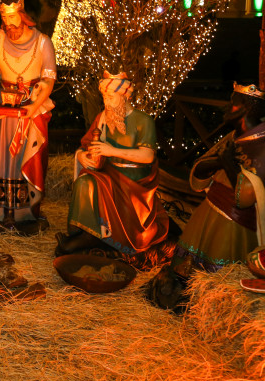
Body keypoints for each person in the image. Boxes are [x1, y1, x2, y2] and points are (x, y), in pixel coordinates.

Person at [147, 83, 265, 311]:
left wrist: (226, 165)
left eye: (232, 103)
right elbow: (202, 167)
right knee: (181, 272)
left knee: (216, 281)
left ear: (247, 109)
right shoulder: (233, 136)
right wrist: (219, 162)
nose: (226, 107)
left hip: (234, 224)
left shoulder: (261, 144)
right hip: (207, 213)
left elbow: (246, 196)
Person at [56, 72, 169, 256]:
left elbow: (148, 156)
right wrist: (82, 155)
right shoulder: (103, 117)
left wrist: (112, 151)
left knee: (103, 187)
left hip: (134, 181)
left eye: (110, 98)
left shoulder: (143, 120)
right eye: (104, 98)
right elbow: (88, 144)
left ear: (124, 96)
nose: (107, 103)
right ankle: (85, 232)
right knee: (85, 182)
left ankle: (100, 239)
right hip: (108, 173)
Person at [0, 0, 56, 233]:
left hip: (31, 110)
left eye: (12, 17)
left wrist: (34, 105)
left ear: (22, 15)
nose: (8, 23)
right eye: (4, 18)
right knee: (2, 159)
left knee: (25, 157)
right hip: (3, 113)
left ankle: (24, 212)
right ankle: (3, 211)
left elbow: (49, 78)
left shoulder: (43, 42)